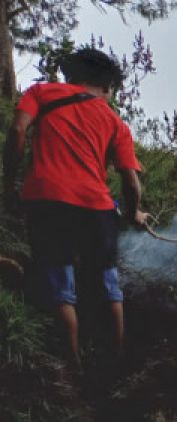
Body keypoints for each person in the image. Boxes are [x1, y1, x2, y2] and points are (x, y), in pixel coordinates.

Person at [1, 47, 149, 373]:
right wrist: (133, 212)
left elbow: (17, 132)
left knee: (60, 281)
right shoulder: (115, 122)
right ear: (108, 86)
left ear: (72, 75)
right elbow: (131, 182)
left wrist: (9, 183)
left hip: (47, 200)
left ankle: (72, 368)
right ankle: (117, 362)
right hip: (97, 206)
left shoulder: (42, 92)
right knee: (109, 284)